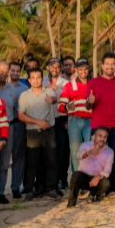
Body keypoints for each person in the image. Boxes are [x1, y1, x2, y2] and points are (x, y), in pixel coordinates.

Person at [86, 52, 115, 192]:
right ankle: (97, 188)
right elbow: (88, 106)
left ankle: (112, 187)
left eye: (112, 64)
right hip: (99, 127)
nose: (110, 66)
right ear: (102, 66)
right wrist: (89, 101)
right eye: (107, 64)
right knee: (97, 158)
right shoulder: (93, 82)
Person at [17, 68, 60, 200]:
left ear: (42, 79)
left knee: (51, 161)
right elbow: (21, 116)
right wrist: (38, 122)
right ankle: (29, 191)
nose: (36, 80)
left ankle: (51, 189)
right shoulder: (24, 95)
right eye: (33, 78)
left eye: (38, 77)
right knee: (31, 163)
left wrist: (51, 100)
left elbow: (54, 98)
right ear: (29, 80)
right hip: (32, 133)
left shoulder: (48, 91)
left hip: (49, 132)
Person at [59, 57, 93, 173]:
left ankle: (87, 177)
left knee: (89, 150)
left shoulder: (93, 84)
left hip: (90, 121)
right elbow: (61, 106)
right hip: (74, 120)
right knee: (75, 152)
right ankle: (77, 179)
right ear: (76, 70)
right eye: (80, 69)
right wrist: (67, 107)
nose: (83, 71)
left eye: (85, 69)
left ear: (88, 69)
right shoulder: (69, 86)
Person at [0, 61, 19, 204]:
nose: (3, 72)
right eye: (0, 70)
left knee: (3, 162)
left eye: (6, 70)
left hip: (7, 129)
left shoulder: (12, 90)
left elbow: (13, 107)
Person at [67, 127, 113, 208]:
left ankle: (94, 195)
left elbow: (107, 169)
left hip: (97, 179)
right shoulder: (85, 145)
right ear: (94, 136)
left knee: (107, 183)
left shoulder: (109, 152)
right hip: (84, 177)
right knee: (76, 175)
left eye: (105, 137)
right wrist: (89, 152)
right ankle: (71, 202)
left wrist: (99, 176)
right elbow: (79, 156)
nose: (102, 139)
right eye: (100, 136)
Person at [44, 58, 70, 190]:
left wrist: (68, 120)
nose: (55, 69)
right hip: (45, 121)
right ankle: (47, 182)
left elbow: (71, 101)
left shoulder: (66, 83)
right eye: (52, 66)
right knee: (48, 153)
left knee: (61, 153)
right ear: (48, 67)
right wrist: (47, 88)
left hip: (61, 121)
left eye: (57, 67)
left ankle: (61, 180)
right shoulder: (42, 81)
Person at [7, 61, 29, 198]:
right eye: (13, 70)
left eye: (17, 71)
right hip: (6, 124)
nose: (15, 73)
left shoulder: (24, 88)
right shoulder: (1, 87)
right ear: (9, 71)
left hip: (20, 124)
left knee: (19, 156)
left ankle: (15, 187)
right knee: (3, 158)